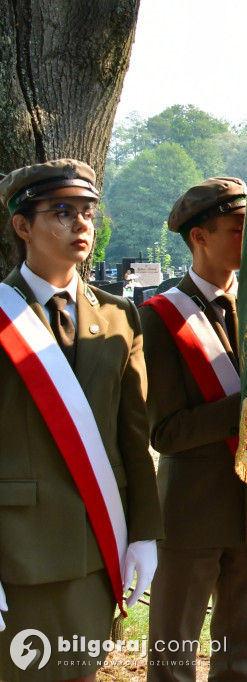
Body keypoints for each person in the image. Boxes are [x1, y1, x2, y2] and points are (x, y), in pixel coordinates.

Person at [0, 159, 162, 680]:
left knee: (83, 671)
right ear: (22, 226)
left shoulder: (117, 316)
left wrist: (143, 533)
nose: (81, 225)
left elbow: (133, 436)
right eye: (63, 212)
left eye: (88, 212)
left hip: (98, 538)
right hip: (18, 550)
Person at [142, 178, 247, 681]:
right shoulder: (159, 318)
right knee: (175, 649)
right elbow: (166, 432)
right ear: (199, 236)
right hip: (192, 512)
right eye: (238, 229)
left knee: (243, 649)